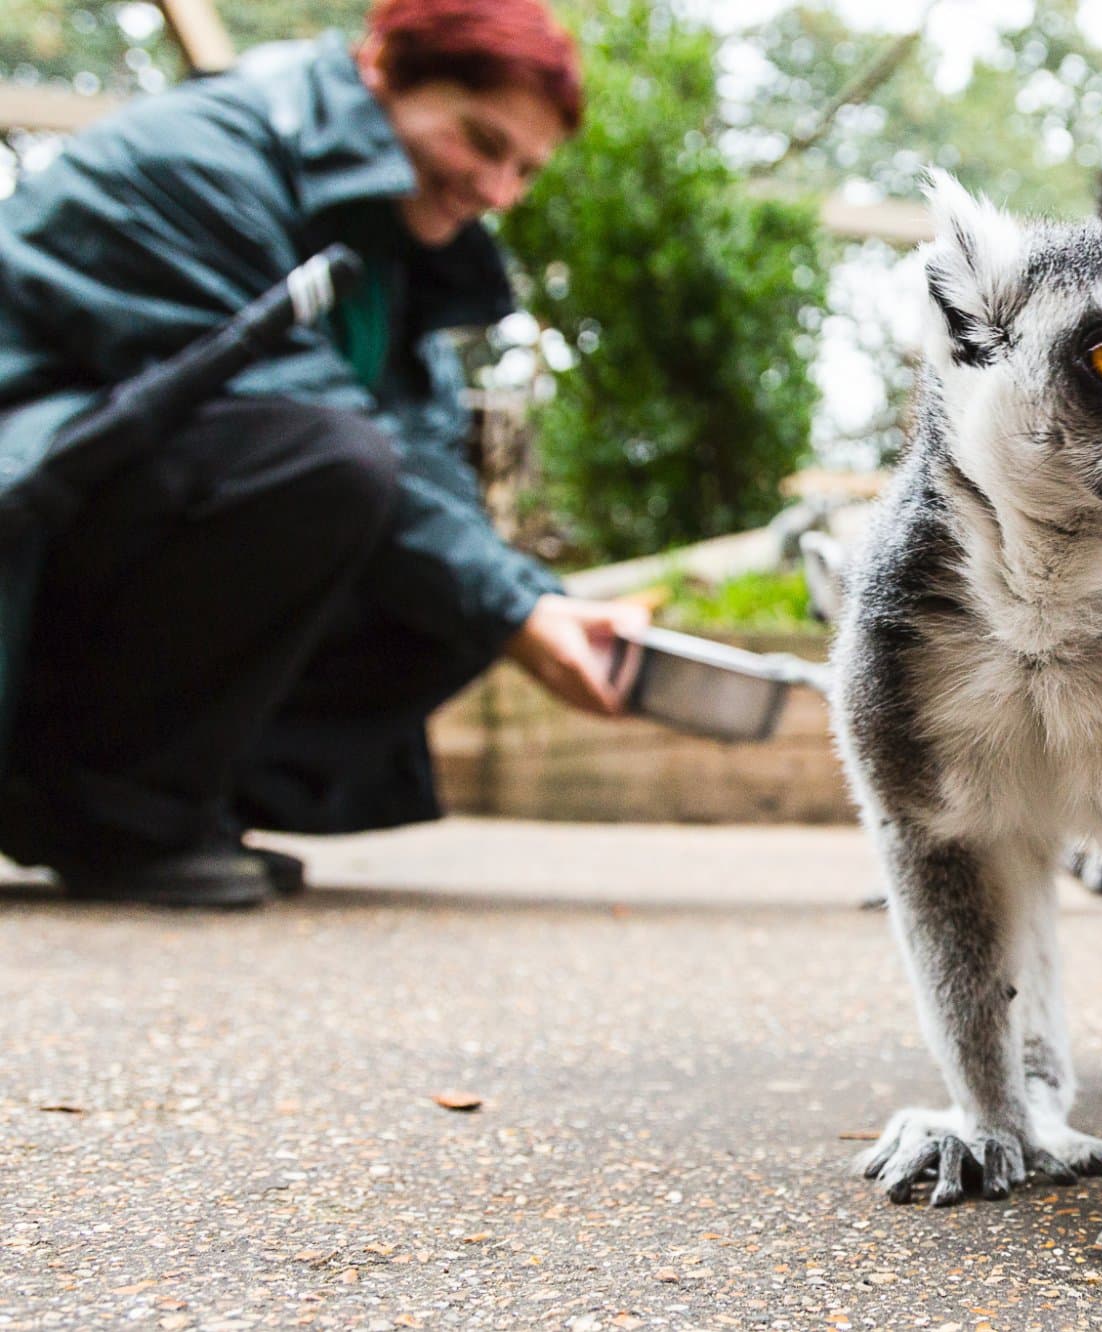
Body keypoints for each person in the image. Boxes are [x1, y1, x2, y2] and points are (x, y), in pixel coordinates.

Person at [0, 0, 649, 907]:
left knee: (456, 575)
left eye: (524, 171)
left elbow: (430, 470)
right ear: (383, 66)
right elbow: (301, 406)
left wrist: (533, 604)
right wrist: (511, 608)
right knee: (338, 467)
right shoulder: (192, 160)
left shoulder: (391, 251)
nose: (497, 191)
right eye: (480, 140)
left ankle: (155, 795)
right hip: (28, 526)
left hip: (123, 536)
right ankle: (111, 808)